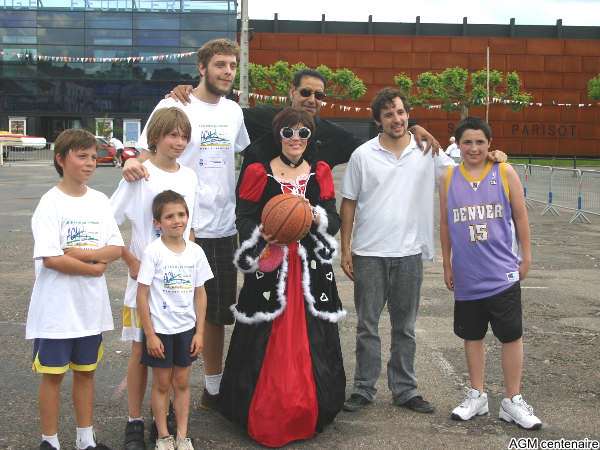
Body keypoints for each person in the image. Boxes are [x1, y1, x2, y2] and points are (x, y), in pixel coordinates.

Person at [339, 88, 507, 415]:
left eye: (401, 112)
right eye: (389, 114)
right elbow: (349, 203)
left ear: (407, 114)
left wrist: (491, 158)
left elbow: (463, 172)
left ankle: (405, 389)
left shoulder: (426, 151)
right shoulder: (363, 155)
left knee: (405, 327)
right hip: (369, 252)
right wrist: (345, 249)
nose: (397, 119)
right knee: (367, 326)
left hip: (410, 253)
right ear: (378, 120)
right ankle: (363, 388)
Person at [122, 38, 250, 410]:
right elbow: (148, 150)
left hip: (222, 227)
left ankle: (212, 390)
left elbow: (246, 153)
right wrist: (130, 160)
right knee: (165, 315)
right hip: (178, 231)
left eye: (231, 66)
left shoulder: (234, 113)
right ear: (202, 68)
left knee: (215, 315)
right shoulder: (173, 103)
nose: (227, 72)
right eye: (220, 65)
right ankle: (159, 403)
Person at [219, 107, 345, 447]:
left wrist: (309, 214)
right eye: (288, 132)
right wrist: (265, 232)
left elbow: (333, 222)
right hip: (271, 263)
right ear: (278, 135)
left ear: (310, 138)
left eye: (303, 133)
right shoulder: (259, 172)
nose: (295, 139)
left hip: (310, 270)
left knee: (311, 337)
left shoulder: (319, 173)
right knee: (263, 332)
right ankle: (262, 410)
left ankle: (308, 408)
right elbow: (243, 217)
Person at [439, 117, 542, 430]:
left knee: (510, 335)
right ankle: (478, 395)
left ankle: (512, 400)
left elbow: (521, 217)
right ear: (457, 145)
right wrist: (447, 263)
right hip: (468, 275)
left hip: (501, 273)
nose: (473, 148)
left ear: (489, 144)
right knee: (472, 336)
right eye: (467, 142)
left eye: (480, 142)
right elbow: (445, 225)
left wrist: (526, 256)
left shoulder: (504, 171)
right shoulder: (448, 178)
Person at [26, 129, 124, 450]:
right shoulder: (49, 203)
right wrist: (93, 267)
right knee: (53, 377)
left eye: (94, 157)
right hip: (56, 310)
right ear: (60, 159)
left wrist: (81, 255)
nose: (90, 162)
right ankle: (50, 442)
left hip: (88, 309)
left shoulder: (99, 201)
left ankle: (85, 441)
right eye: (82, 156)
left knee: (86, 373)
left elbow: (115, 248)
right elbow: (52, 258)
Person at [110, 107, 198, 449]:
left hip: (178, 284)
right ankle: (134, 420)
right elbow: (109, 222)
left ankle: (171, 417)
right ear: (156, 137)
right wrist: (130, 259)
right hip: (144, 285)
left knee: (178, 355)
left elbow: (192, 230)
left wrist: (193, 273)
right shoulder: (139, 174)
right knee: (139, 351)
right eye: (171, 135)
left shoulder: (189, 177)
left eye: (183, 136)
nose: (178, 142)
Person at [166, 68, 441, 174]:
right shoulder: (258, 118)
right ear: (292, 92)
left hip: (307, 228)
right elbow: (216, 112)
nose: (312, 99)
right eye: (306, 92)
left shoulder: (332, 134)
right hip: (262, 226)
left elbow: (376, 143)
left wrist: (412, 126)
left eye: (318, 95)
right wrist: (189, 90)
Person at [136, 190, 213, 450]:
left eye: (181, 214)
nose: (177, 220)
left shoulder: (195, 252)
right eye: (169, 216)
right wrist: (150, 334)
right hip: (160, 332)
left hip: (185, 330)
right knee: (161, 384)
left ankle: (182, 435)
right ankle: (163, 436)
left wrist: (199, 332)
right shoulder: (153, 252)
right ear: (158, 223)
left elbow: (200, 294)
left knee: (181, 383)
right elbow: (142, 295)